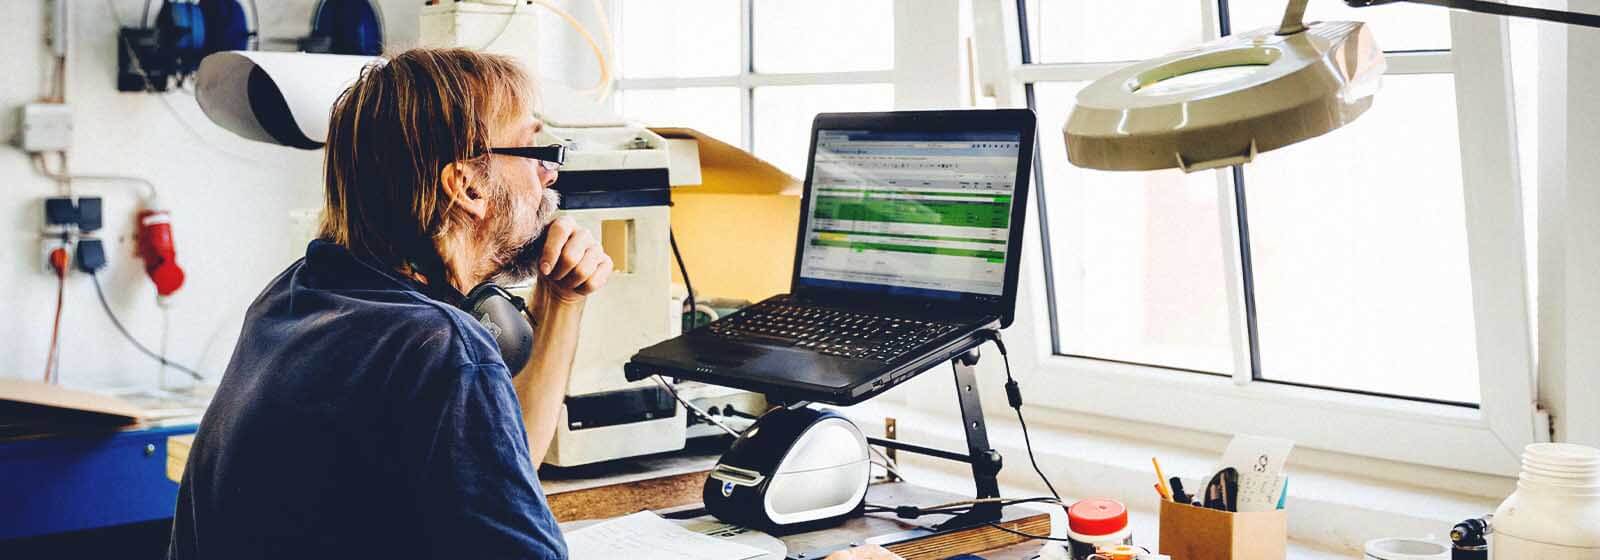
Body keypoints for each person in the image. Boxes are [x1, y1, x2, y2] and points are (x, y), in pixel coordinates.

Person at [168, 48, 902, 560]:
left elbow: (496, 464)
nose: (552, 177)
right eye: (535, 152)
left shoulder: (300, 295)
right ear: (467, 185)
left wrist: (564, 305)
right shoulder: (438, 347)